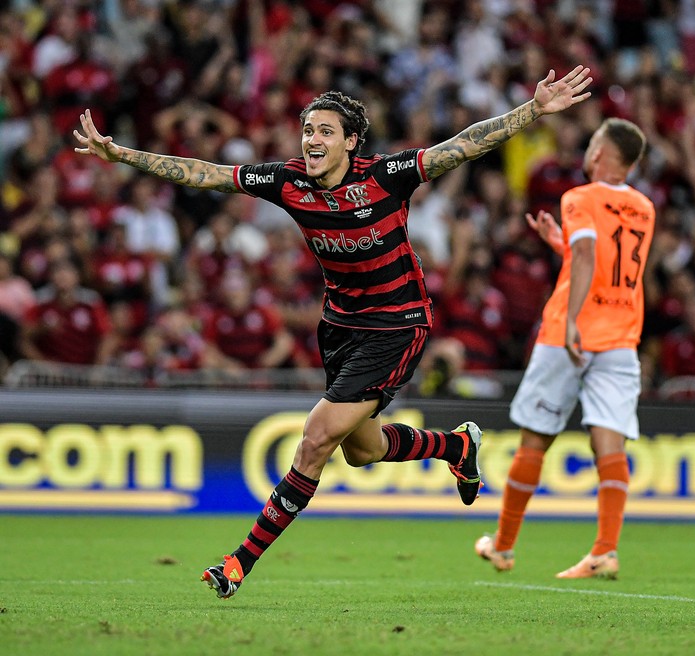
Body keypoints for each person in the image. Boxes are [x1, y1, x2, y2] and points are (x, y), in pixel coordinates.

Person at [74, 65, 593, 599]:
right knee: (362, 451)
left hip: (397, 324)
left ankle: (238, 562)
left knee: (317, 437)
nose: (313, 140)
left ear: (350, 142)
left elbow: (461, 147)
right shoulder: (288, 181)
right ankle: (456, 446)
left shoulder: (387, 176)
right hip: (340, 328)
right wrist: (124, 155)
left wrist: (532, 111)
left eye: (325, 131)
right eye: (308, 130)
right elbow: (206, 173)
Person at [474, 117, 655, 579]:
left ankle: (503, 546)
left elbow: (592, 256)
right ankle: (605, 550)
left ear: (598, 153)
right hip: (621, 336)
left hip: (567, 334)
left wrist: (573, 320)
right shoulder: (644, 208)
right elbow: (607, 262)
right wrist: (562, 243)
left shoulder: (579, 197)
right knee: (609, 441)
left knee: (535, 437)